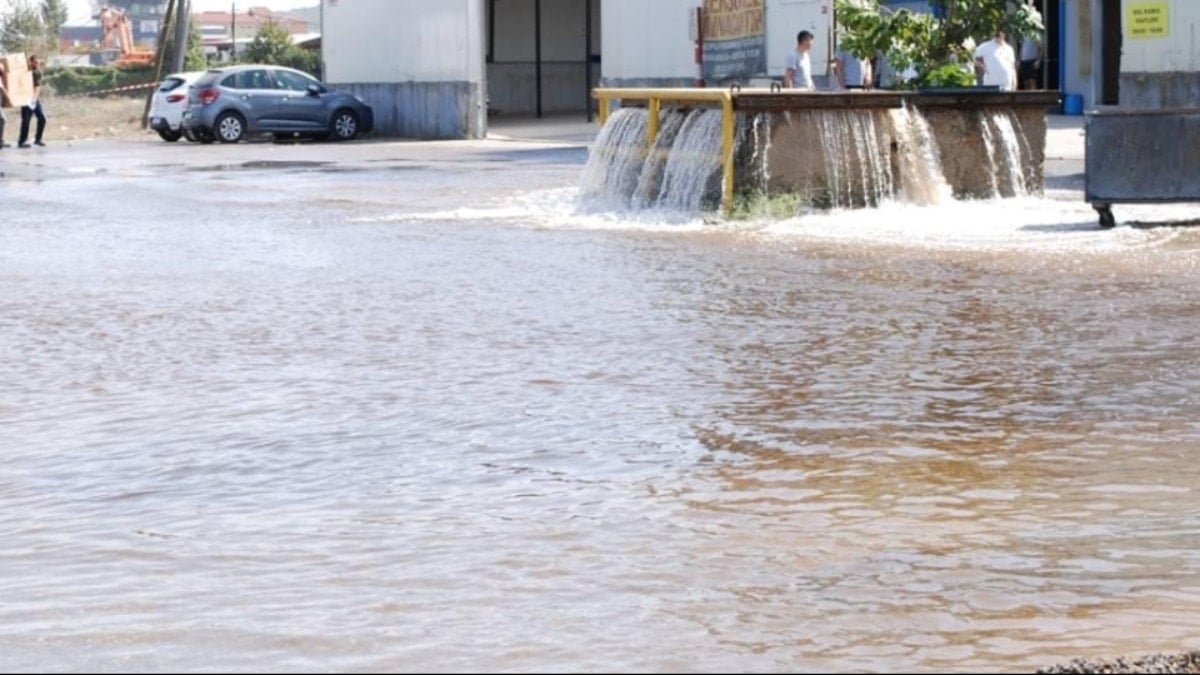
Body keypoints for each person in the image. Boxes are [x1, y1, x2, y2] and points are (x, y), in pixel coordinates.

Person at [18, 54, 46, 148]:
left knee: (42, 118)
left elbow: (37, 87)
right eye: (35, 62)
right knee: (26, 120)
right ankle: (22, 141)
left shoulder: (37, 72)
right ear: (30, 62)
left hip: (33, 99)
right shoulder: (24, 72)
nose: (37, 64)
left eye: (38, 62)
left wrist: (34, 99)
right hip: (25, 98)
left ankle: (38, 139)